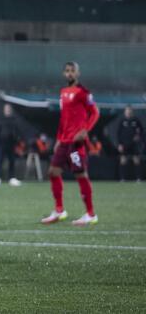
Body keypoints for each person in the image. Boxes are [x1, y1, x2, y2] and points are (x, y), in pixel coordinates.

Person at [41, 61, 100, 226]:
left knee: (81, 174)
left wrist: (85, 130)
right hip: (64, 141)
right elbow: (64, 118)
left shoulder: (83, 92)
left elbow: (95, 112)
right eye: (67, 71)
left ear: (78, 73)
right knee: (53, 172)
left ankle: (91, 214)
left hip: (76, 143)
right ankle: (59, 211)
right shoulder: (63, 92)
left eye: (72, 71)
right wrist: (59, 139)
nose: (69, 73)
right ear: (63, 74)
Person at [0, 103, 22, 186]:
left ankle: (11, 178)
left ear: (11, 110)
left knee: (11, 161)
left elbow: (17, 132)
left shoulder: (14, 120)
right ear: (4, 110)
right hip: (2, 144)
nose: (8, 110)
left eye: (9, 109)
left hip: (11, 144)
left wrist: (16, 140)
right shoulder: (0, 119)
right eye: (6, 109)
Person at [116, 106, 142, 182]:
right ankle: (122, 179)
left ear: (132, 112)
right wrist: (120, 144)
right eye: (127, 111)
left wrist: (138, 136)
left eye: (130, 111)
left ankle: (138, 178)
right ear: (125, 112)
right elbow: (118, 133)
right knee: (123, 160)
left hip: (134, 144)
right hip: (124, 144)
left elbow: (141, 130)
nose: (128, 112)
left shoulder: (136, 120)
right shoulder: (122, 120)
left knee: (136, 160)